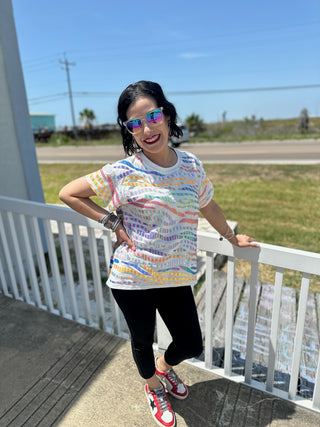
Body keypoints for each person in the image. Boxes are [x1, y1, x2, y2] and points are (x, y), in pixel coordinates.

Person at [59, 80, 259, 427]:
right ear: (129, 130)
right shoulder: (124, 170)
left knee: (191, 344)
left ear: (166, 115)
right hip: (133, 275)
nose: (147, 128)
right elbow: (69, 193)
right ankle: (153, 386)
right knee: (141, 340)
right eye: (135, 123)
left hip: (175, 273)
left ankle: (164, 369)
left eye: (152, 116)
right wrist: (111, 221)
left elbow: (207, 204)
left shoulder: (191, 166)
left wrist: (231, 237)